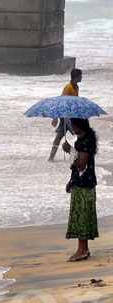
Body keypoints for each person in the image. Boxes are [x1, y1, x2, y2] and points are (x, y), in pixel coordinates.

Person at [62, 118, 98, 261]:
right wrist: (71, 180)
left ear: (81, 125)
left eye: (74, 125)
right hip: (85, 182)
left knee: (81, 217)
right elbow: (81, 164)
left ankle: (81, 250)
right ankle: (85, 249)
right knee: (85, 216)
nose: (72, 127)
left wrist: (70, 150)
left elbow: (82, 165)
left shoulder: (84, 142)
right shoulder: (85, 139)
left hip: (83, 184)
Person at [48, 68, 83, 162]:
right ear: (76, 76)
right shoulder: (68, 87)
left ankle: (52, 157)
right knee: (79, 134)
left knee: (60, 135)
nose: (81, 77)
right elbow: (60, 101)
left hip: (73, 115)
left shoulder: (76, 87)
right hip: (66, 116)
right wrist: (55, 117)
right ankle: (52, 157)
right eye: (80, 75)